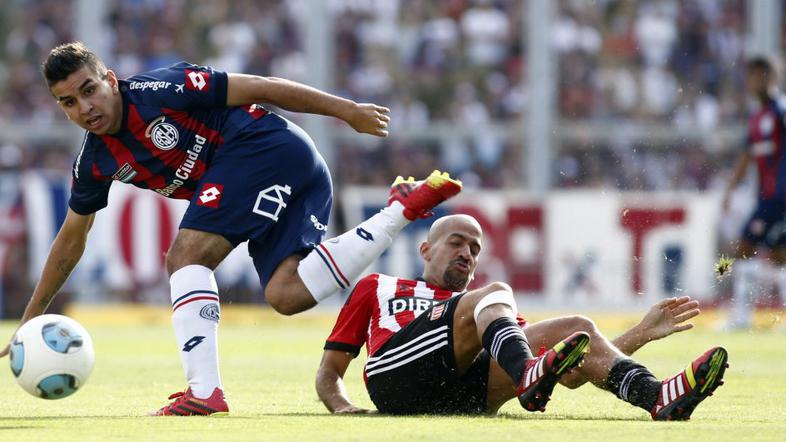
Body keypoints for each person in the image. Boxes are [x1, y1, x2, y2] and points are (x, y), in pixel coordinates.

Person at [0, 41, 463, 416]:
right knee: (287, 294)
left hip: (264, 146)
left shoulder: (162, 89)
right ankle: (399, 210)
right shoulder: (94, 162)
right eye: (69, 102)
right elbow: (72, 239)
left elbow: (261, 86)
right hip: (291, 171)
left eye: (89, 90)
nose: (85, 107)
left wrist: (347, 111)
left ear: (111, 80)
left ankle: (204, 393)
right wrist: (32, 315)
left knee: (186, 257)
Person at [317, 214, 728, 420]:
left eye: (475, 249)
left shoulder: (488, 315)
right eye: (457, 243)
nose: (467, 253)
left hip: (465, 397)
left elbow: (569, 373)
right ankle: (526, 373)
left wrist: (640, 333)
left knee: (578, 328)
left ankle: (657, 397)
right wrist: (342, 407)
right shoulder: (379, 286)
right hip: (397, 378)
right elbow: (329, 371)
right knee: (494, 297)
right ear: (425, 250)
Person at [722, 56, 786, 329]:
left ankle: (740, 318)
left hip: (777, 196)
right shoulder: (756, 117)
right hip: (767, 196)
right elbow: (746, 157)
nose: (755, 81)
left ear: (772, 78)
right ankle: (743, 317)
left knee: (744, 247)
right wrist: (730, 189)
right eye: (752, 76)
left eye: (761, 75)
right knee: (779, 255)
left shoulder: (781, 110)